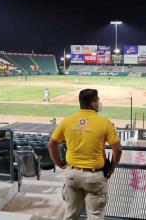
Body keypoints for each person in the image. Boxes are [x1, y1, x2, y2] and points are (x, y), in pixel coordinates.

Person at [48, 89, 122, 220]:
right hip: (94, 177)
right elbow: (118, 149)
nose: (99, 102)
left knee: (71, 214)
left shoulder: (67, 121)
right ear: (92, 103)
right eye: (97, 99)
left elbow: (51, 145)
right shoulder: (105, 122)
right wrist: (111, 168)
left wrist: (60, 164)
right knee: (95, 216)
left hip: (72, 175)